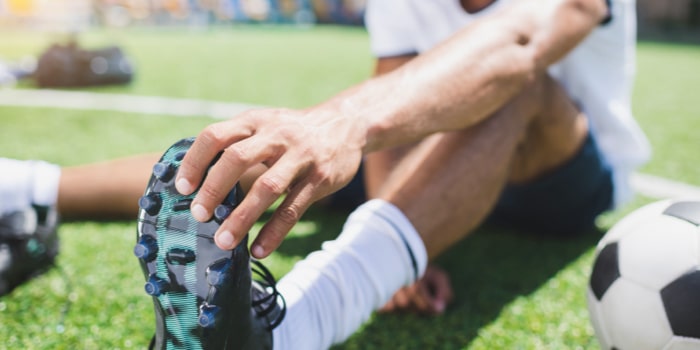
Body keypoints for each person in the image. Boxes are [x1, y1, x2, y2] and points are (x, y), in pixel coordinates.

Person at [5, 0, 650, 347]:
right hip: (440, 158)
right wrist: (402, 225)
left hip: (558, 180)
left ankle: (294, 329)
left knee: (516, 88)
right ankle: (25, 187)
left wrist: (342, 123)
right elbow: (397, 92)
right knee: (277, 152)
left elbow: (519, 45)